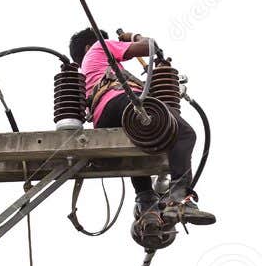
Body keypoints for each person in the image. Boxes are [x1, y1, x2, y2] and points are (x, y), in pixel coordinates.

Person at [70, 27, 215, 227]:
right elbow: (151, 46)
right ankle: (179, 198)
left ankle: (147, 204)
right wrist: (132, 37)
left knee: (139, 145)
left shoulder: (86, 71)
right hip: (120, 99)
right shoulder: (99, 46)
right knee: (184, 134)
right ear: (90, 45)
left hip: (103, 116)